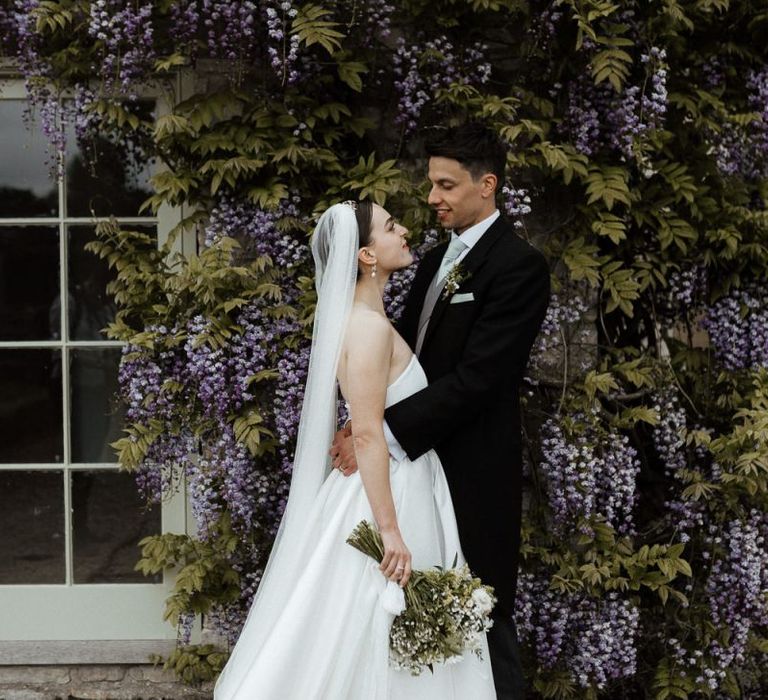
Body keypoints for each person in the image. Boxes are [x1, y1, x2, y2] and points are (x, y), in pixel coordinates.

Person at [214, 200, 497, 699]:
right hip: (388, 495)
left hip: (401, 481)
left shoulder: (369, 318)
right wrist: (390, 531)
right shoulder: (366, 328)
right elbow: (366, 433)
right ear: (367, 254)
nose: (405, 230)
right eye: (391, 226)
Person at [331, 123, 551, 698]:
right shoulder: (431, 261)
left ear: (487, 185)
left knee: (483, 617)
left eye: (446, 185)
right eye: (432, 184)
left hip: (471, 471)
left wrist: (380, 431)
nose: (432, 198)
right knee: (408, 627)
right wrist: (361, 423)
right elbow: (397, 358)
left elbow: (480, 379)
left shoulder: (519, 267)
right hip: (413, 475)